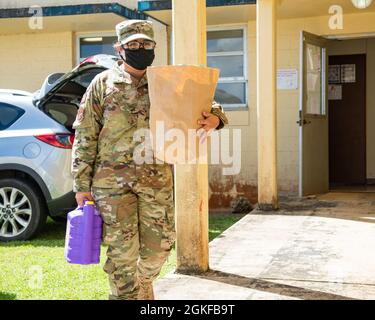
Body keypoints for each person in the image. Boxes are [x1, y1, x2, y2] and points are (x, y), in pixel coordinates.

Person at [71, 19, 228, 300]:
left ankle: (144, 281)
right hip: (111, 185)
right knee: (122, 254)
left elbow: (205, 100)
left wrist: (217, 119)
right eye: (133, 44)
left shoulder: (166, 82)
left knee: (160, 247)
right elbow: (85, 135)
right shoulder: (102, 83)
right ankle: (125, 294)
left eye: (146, 44)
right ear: (119, 48)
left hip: (156, 178)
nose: (140, 49)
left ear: (154, 47)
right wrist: (81, 185)